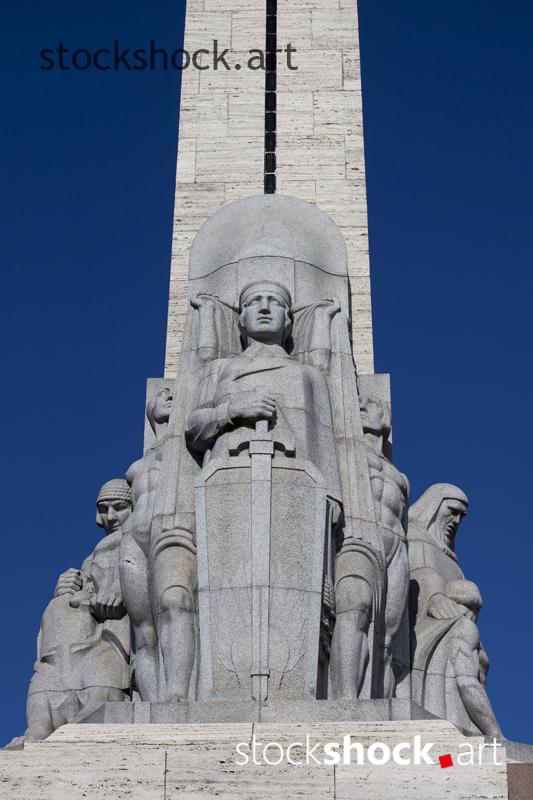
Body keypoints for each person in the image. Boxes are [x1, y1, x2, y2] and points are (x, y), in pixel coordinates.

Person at [22, 479, 132, 741]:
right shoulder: (91, 558)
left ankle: (98, 697)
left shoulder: (138, 542)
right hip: (77, 640)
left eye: (119, 507)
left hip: (115, 632)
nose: (110, 517)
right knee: (56, 609)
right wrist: (65, 588)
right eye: (104, 509)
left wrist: (120, 595)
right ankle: (45, 712)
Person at [408, 484, 502, 738]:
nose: (456, 520)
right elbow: (417, 580)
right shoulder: (413, 538)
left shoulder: (451, 559)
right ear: (434, 507)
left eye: (462, 516)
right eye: (452, 511)